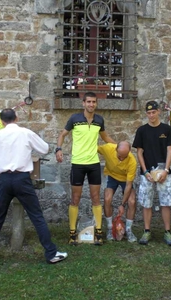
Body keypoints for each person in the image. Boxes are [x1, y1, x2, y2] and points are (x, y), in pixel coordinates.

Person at [0, 108, 67, 264]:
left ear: (2, 121)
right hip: (22, 179)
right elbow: (44, 148)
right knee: (36, 217)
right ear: (16, 118)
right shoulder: (25, 133)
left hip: (4, 179)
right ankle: (51, 253)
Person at [56, 92, 116, 246]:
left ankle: (98, 231)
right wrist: (58, 149)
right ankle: (72, 232)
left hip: (94, 164)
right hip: (77, 163)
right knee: (75, 199)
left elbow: (105, 137)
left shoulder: (99, 120)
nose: (91, 104)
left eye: (93, 102)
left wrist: (119, 148)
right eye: (88, 102)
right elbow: (62, 135)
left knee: (96, 198)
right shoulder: (74, 119)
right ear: (83, 103)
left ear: (96, 104)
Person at [132, 101, 171, 246]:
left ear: (158, 112)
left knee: (166, 203)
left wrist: (165, 170)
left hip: (164, 173)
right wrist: (145, 172)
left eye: (153, 112)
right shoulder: (142, 130)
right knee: (146, 204)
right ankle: (146, 231)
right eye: (149, 113)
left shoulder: (166, 129)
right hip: (147, 174)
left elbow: (170, 150)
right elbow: (139, 152)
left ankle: (168, 232)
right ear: (146, 114)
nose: (151, 115)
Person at [97, 141, 138, 242]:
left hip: (125, 180)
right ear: (116, 150)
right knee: (107, 198)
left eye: (125, 156)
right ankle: (110, 229)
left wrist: (122, 205)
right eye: (120, 156)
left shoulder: (132, 161)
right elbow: (93, 148)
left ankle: (128, 230)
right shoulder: (108, 148)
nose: (122, 159)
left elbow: (129, 185)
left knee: (132, 201)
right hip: (112, 176)